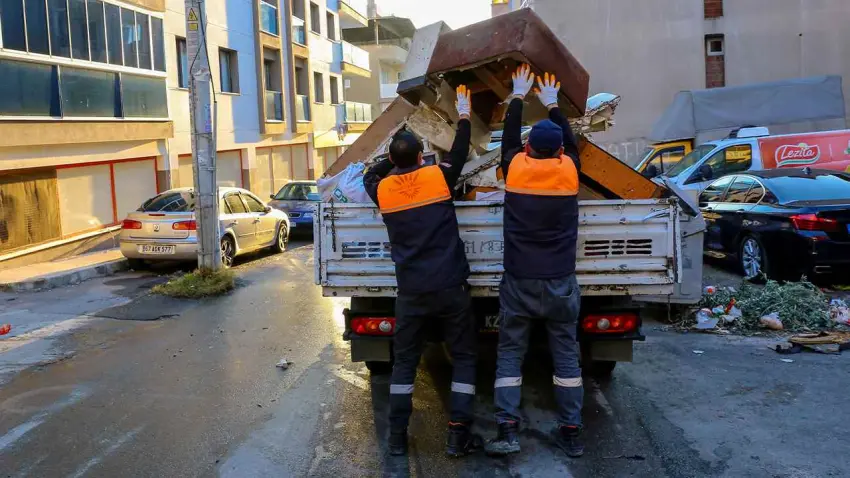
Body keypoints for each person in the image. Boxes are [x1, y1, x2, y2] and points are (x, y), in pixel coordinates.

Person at [363, 85, 480, 458]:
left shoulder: (382, 190)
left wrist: (390, 157)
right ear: (420, 156)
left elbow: (370, 173)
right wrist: (463, 114)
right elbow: (460, 151)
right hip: (450, 288)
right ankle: (457, 433)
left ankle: (397, 436)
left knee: (405, 364)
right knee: (463, 356)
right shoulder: (438, 179)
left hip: (412, 293)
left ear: (395, 161)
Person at [484, 65, 584, 458]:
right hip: (560, 282)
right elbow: (573, 142)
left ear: (528, 150)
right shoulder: (570, 171)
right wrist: (553, 104)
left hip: (520, 281)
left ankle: (507, 429)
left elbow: (508, 139)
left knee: (510, 353)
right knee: (566, 357)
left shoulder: (515, 169)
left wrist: (517, 97)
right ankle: (572, 433)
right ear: (560, 152)